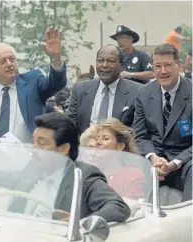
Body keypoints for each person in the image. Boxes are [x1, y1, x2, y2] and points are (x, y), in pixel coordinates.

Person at [0, 112, 131, 223]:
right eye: (33, 142)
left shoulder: (83, 176)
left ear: (64, 149)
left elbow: (119, 207)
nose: (34, 149)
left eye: (42, 143)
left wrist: (82, 221)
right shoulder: (32, 170)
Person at [0, 26, 67, 143]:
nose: (9, 64)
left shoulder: (33, 81)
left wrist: (55, 58)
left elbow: (56, 83)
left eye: (12, 59)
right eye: (2, 61)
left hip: (29, 156)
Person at [133, 43, 192, 202]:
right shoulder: (144, 93)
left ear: (178, 65)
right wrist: (153, 158)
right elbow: (140, 135)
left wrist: (175, 163)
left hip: (185, 160)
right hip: (155, 160)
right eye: (158, 66)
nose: (163, 71)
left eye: (168, 65)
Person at [68, 44, 142, 135]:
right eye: (100, 61)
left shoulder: (137, 91)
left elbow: (139, 131)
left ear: (122, 65)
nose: (104, 65)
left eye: (111, 61)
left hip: (120, 147)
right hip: (85, 146)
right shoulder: (80, 89)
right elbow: (71, 126)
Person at [80, 119, 145, 200]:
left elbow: (129, 207)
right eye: (97, 138)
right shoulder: (91, 173)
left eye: (105, 138)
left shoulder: (133, 175)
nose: (98, 142)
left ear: (120, 146)